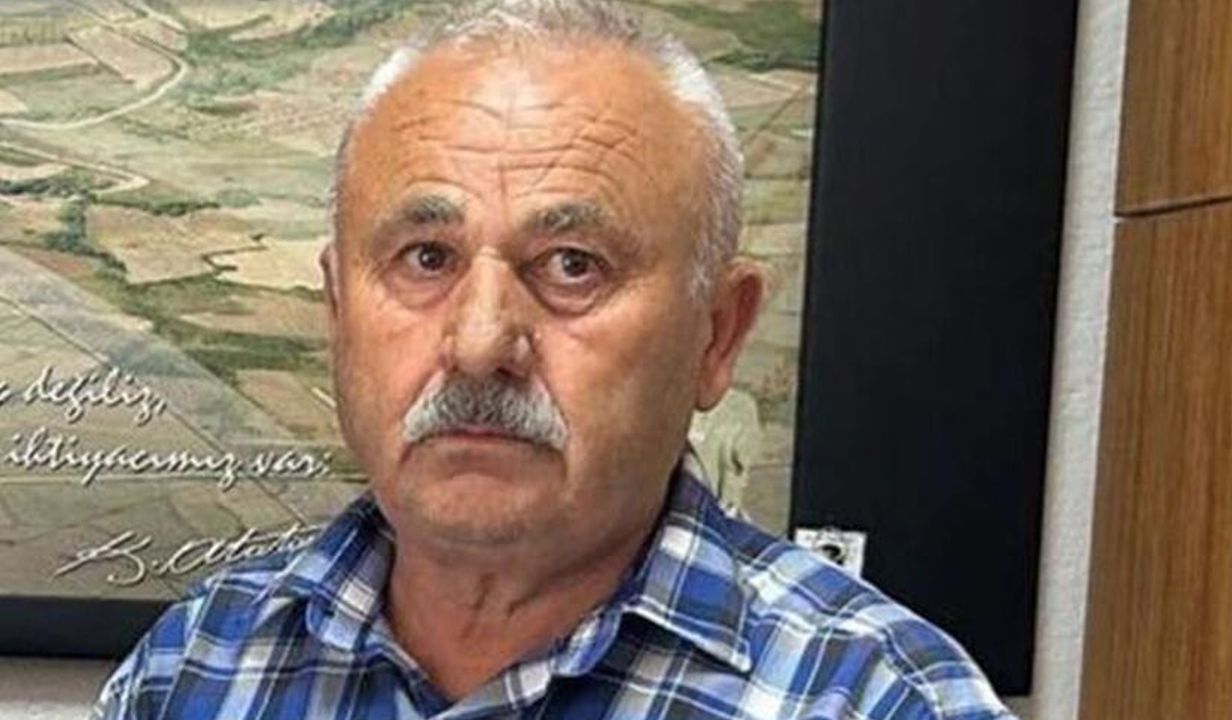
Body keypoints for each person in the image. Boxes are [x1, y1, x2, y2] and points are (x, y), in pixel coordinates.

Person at [92, 1, 1014, 718]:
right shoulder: (196, 669)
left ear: (717, 334)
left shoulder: (878, 699)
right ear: (338, 312)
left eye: (572, 266)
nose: (480, 343)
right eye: (426, 258)